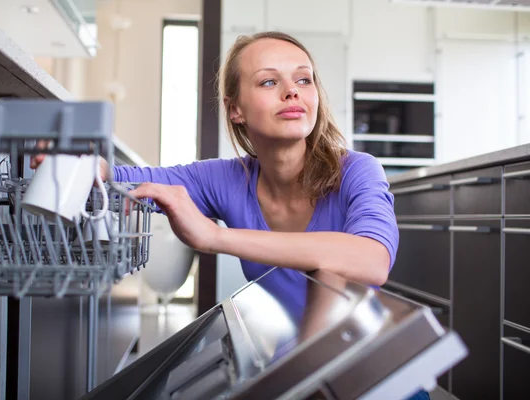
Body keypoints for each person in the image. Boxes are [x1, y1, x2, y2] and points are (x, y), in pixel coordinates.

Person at [32, 31, 430, 399]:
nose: (292, 92)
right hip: (292, 368)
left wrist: (214, 237)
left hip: (375, 374)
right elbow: (133, 180)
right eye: (269, 82)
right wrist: (84, 166)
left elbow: (372, 260)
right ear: (235, 109)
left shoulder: (359, 170)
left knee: (337, 265)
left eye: (304, 80)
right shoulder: (227, 179)